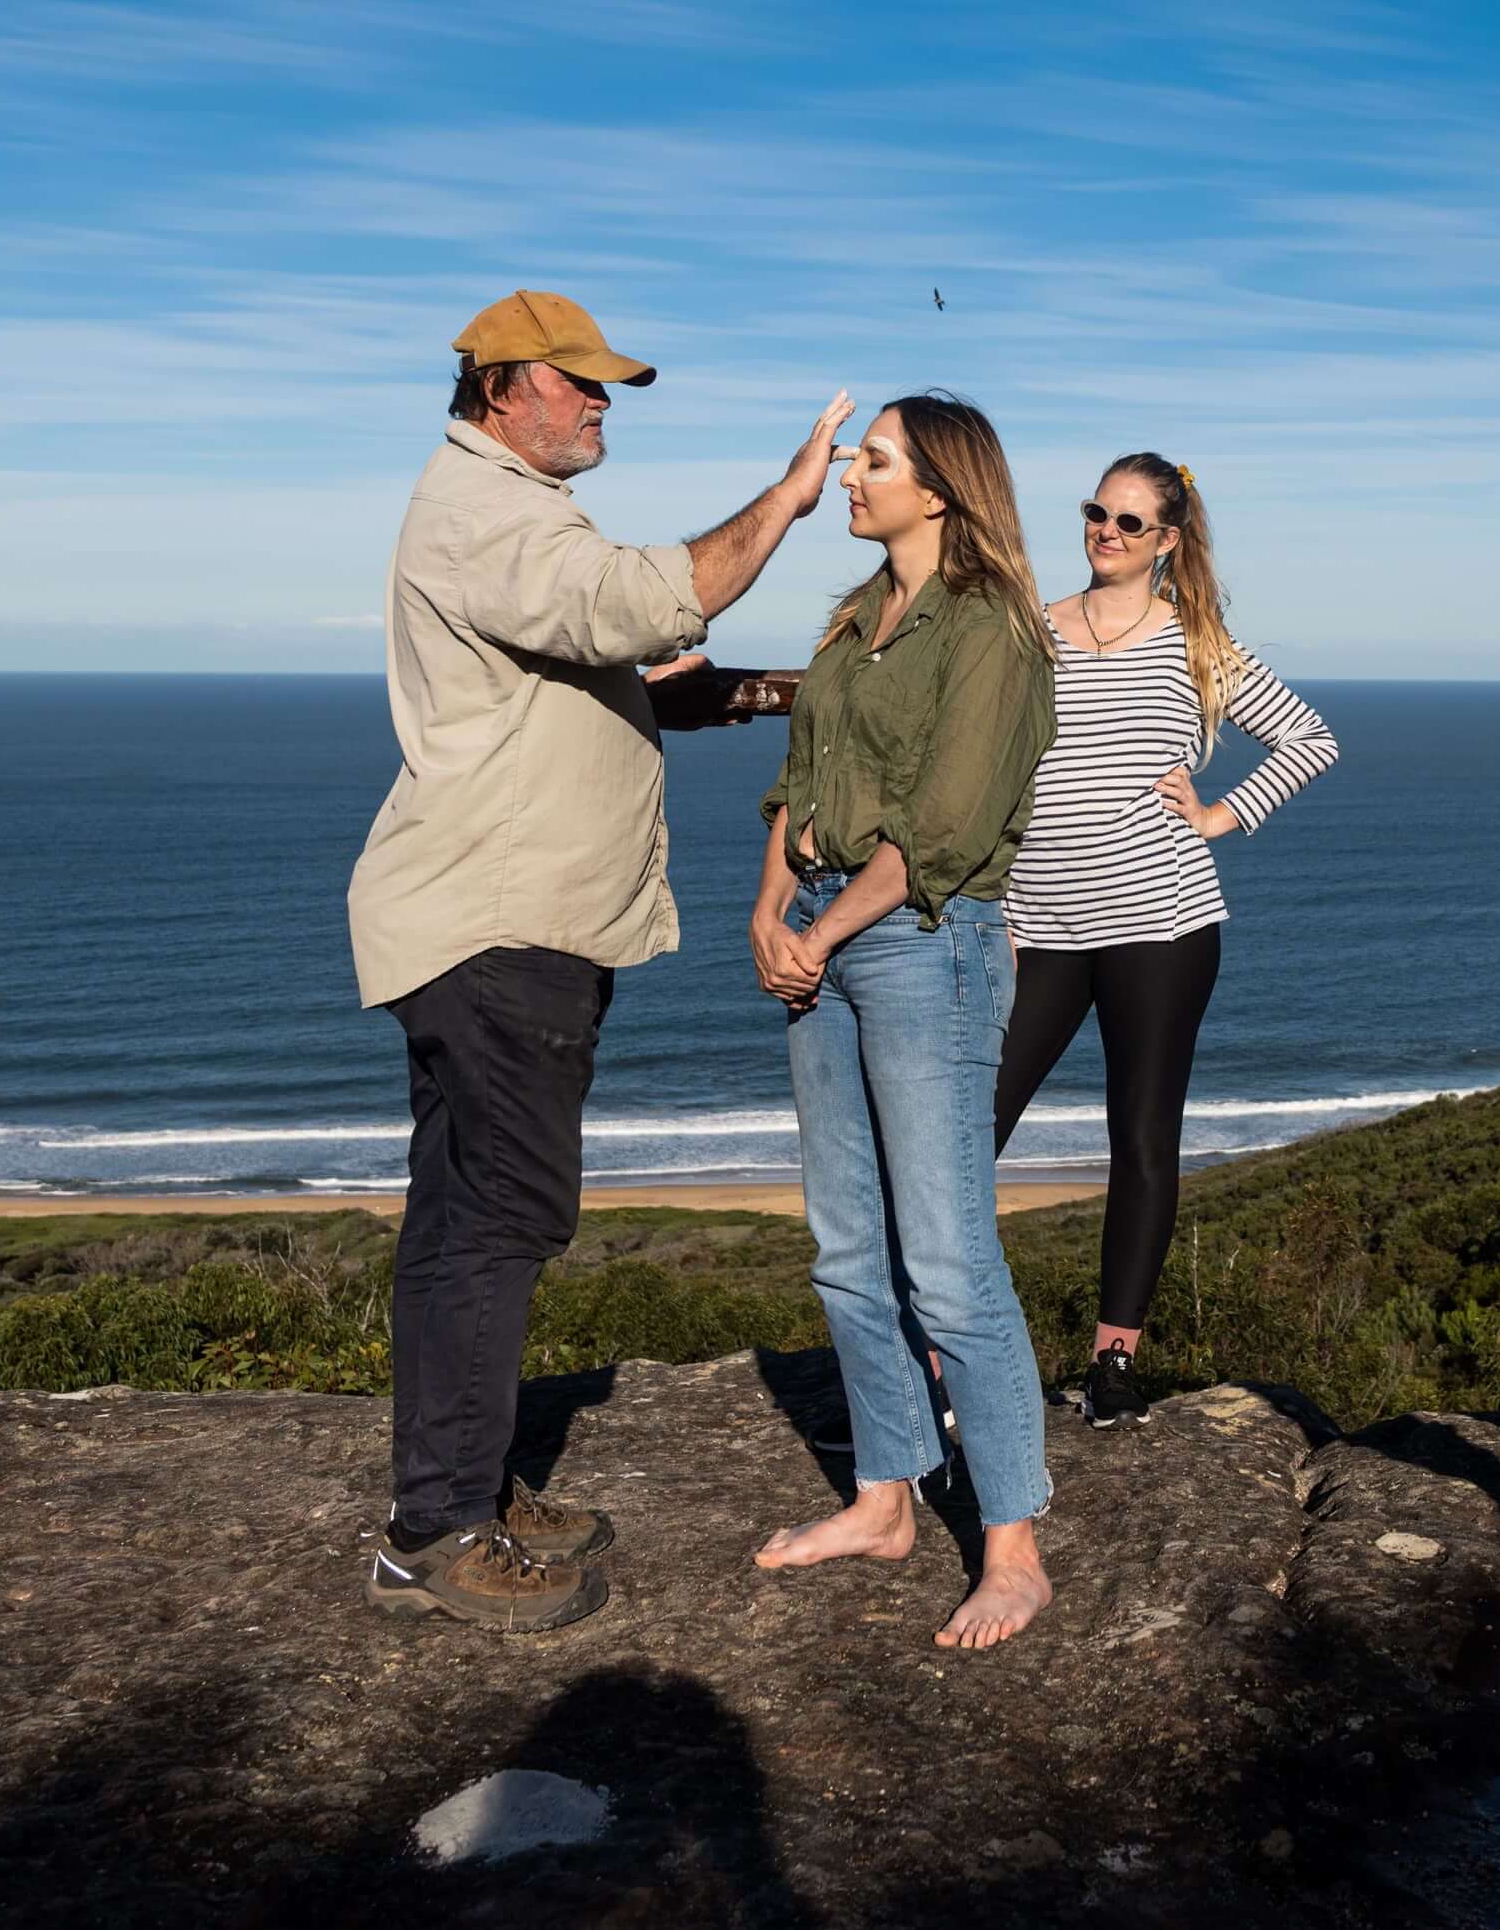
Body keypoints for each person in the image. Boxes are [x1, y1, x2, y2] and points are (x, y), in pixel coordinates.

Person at [351, 289, 855, 1634]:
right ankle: (438, 1528)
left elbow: (630, 668)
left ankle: (458, 1486)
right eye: (581, 382)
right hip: (500, 925)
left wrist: (792, 690)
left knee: (464, 1215)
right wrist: (786, 499)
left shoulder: (507, 514)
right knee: (500, 1218)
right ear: (505, 385)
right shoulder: (487, 516)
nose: (600, 404)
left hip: (489, 920)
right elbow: (645, 601)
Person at [748, 394, 1064, 1650]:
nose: (848, 477)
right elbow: (796, 785)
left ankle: (1012, 1547)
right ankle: (885, 1500)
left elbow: (942, 827)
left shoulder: (990, 626)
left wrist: (818, 934)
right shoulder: (850, 621)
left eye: (871, 461)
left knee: (946, 1261)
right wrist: (771, 912)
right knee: (843, 1246)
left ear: (940, 487)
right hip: (826, 929)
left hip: (928, 944)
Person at [993, 455, 1340, 1425]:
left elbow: (1311, 739)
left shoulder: (1198, 642)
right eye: (1097, 513)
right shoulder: (1033, 627)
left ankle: (1113, 1361)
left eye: (1131, 522)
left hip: (1161, 924)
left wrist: (1224, 815)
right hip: (1042, 928)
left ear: (1169, 541)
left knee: (1140, 1141)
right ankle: (950, 1347)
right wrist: (1000, 908)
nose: (1107, 531)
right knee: (968, 1127)